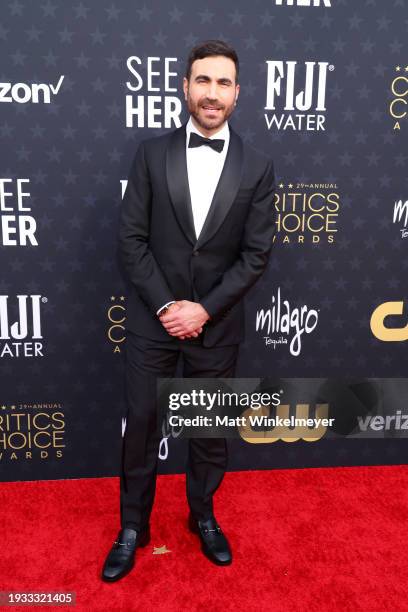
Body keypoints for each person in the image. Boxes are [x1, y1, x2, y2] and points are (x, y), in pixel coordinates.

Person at [102, 39, 276, 582]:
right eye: (203, 81)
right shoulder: (151, 154)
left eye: (224, 83)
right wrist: (167, 307)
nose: (212, 93)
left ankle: (203, 514)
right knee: (141, 427)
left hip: (216, 327)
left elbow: (256, 255)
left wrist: (204, 310)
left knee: (208, 431)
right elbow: (131, 240)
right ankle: (134, 526)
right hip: (153, 322)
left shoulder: (258, 164)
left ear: (238, 94)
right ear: (185, 87)